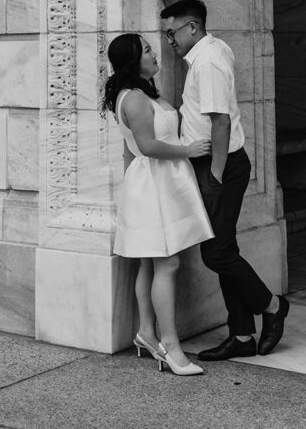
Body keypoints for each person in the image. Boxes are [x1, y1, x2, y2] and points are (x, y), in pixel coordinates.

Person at [136, 0, 290, 360]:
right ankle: (241, 337)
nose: (168, 41)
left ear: (192, 29)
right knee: (225, 248)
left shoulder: (207, 64)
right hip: (213, 162)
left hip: (220, 164)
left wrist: (216, 174)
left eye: (172, 34)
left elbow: (219, 122)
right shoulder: (209, 44)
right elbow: (186, 14)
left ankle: (272, 306)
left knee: (215, 253)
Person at [102, 32, 214, 376]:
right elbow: (147, 146)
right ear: (132, 60)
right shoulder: (134, 98)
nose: (155, 54)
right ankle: (171, 347)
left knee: (150, 266)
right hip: (154, 184)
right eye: (147, 50)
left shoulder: (143, 93)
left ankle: (146, 333)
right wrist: (188, 151)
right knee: (168, 265)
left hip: (158, 183)